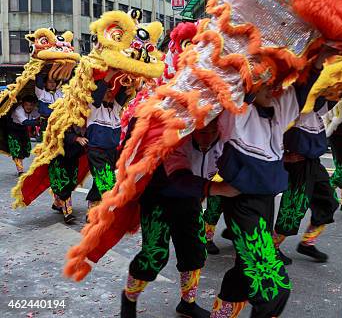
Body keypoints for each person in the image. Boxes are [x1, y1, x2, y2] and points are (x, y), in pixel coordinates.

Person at [209, 50, 332, 317]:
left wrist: (320, 58)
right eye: (267, 82)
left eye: (277, 82)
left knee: (243, 272)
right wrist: (213, 188)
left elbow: (304, 89)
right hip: (241, 206)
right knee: (273, 287)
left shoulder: (278, 110)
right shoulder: (235, 114)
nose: (275, 88)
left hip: (265, 203)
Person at [121, 123, 239, 318]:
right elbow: (179, 178)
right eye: (201, 132)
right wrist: (216, 189)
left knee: (195, 250)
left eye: (212, 132)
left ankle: (187, 303)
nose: (207, 138)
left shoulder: (226, 141)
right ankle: (129, 298)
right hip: (158, 197)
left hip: (190, 198)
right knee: (154, 255)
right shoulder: (175, 137)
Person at [273, 104, 339, 265]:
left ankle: (307, 243)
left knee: (328, 202)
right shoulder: (293, 103)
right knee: (292, 211)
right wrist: (283, 158)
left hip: (313, 163)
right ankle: (271, 249)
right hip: (296, 165)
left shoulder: (319, 104)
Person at [82, 70, 130, 213]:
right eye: (106, 90)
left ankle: (93, 203)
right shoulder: (94, 108)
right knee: (107, 182)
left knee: (101, 179)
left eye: (111, 90)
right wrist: (110, 74)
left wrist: (129, 74)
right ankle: (104, 213)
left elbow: (123, 93)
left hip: (112, 152)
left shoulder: (115, 109)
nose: (109, 92)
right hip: (97, 152)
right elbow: (97, 94)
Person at [7, 95, 40, 173]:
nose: (29, 107)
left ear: (34, 105)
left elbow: (41, 115)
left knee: (25, 150)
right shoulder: (18, 110)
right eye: (26, 105)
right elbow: (26, 122)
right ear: (23, 104)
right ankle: (20, 171)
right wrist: (39, 122)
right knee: (17, 151)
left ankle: (20, 166)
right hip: (13, 129)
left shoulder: (35, 109)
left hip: (23, 130)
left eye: (31, 105)